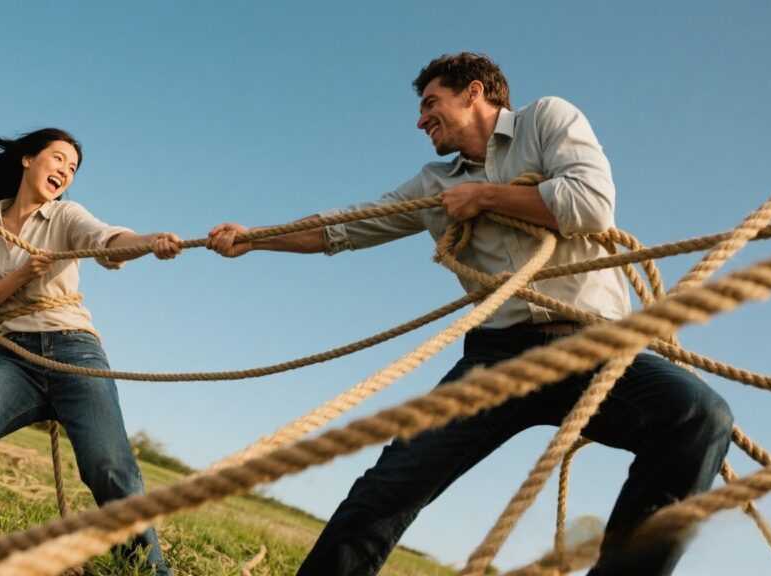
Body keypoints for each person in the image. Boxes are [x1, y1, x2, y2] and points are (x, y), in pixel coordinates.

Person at [206, 52, 733, 575]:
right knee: (389, 488)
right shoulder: (432, 184)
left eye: (430, 103)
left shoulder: (547, 119)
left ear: (474, 92)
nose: (421, 120)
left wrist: (484, 197)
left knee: (700, 416)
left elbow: (590, 204)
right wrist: (255, 239)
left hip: (593, 345)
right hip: (499, 354)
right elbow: (346, 226)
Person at [0, 128, 176, 575]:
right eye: (58, 158)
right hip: (14, 357)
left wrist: (150, 240)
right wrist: (21, 275)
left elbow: (105, 241)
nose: (65, 170)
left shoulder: (65, 215)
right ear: (28, 159)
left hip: (74, 351)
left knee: (109, 466)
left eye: (73, 167)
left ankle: (149, 572)